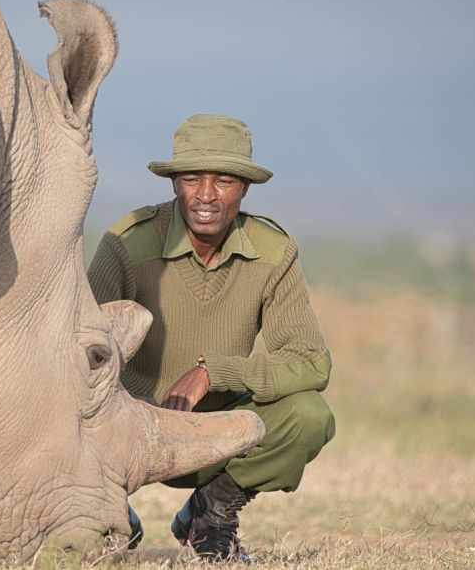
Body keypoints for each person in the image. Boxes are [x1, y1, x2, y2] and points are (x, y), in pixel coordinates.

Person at [87, 114, 335, 562]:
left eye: (223, 181)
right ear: (174, 184)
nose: (205, 195)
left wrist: (213, 372)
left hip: (223, 435)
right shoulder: (128, 244)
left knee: (309, 415)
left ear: (245, 188)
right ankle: (104, 514)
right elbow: (78, 354)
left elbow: (312, 362)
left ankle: (212, 512)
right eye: (191, 179)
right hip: (130, 430)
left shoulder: (273, 252)